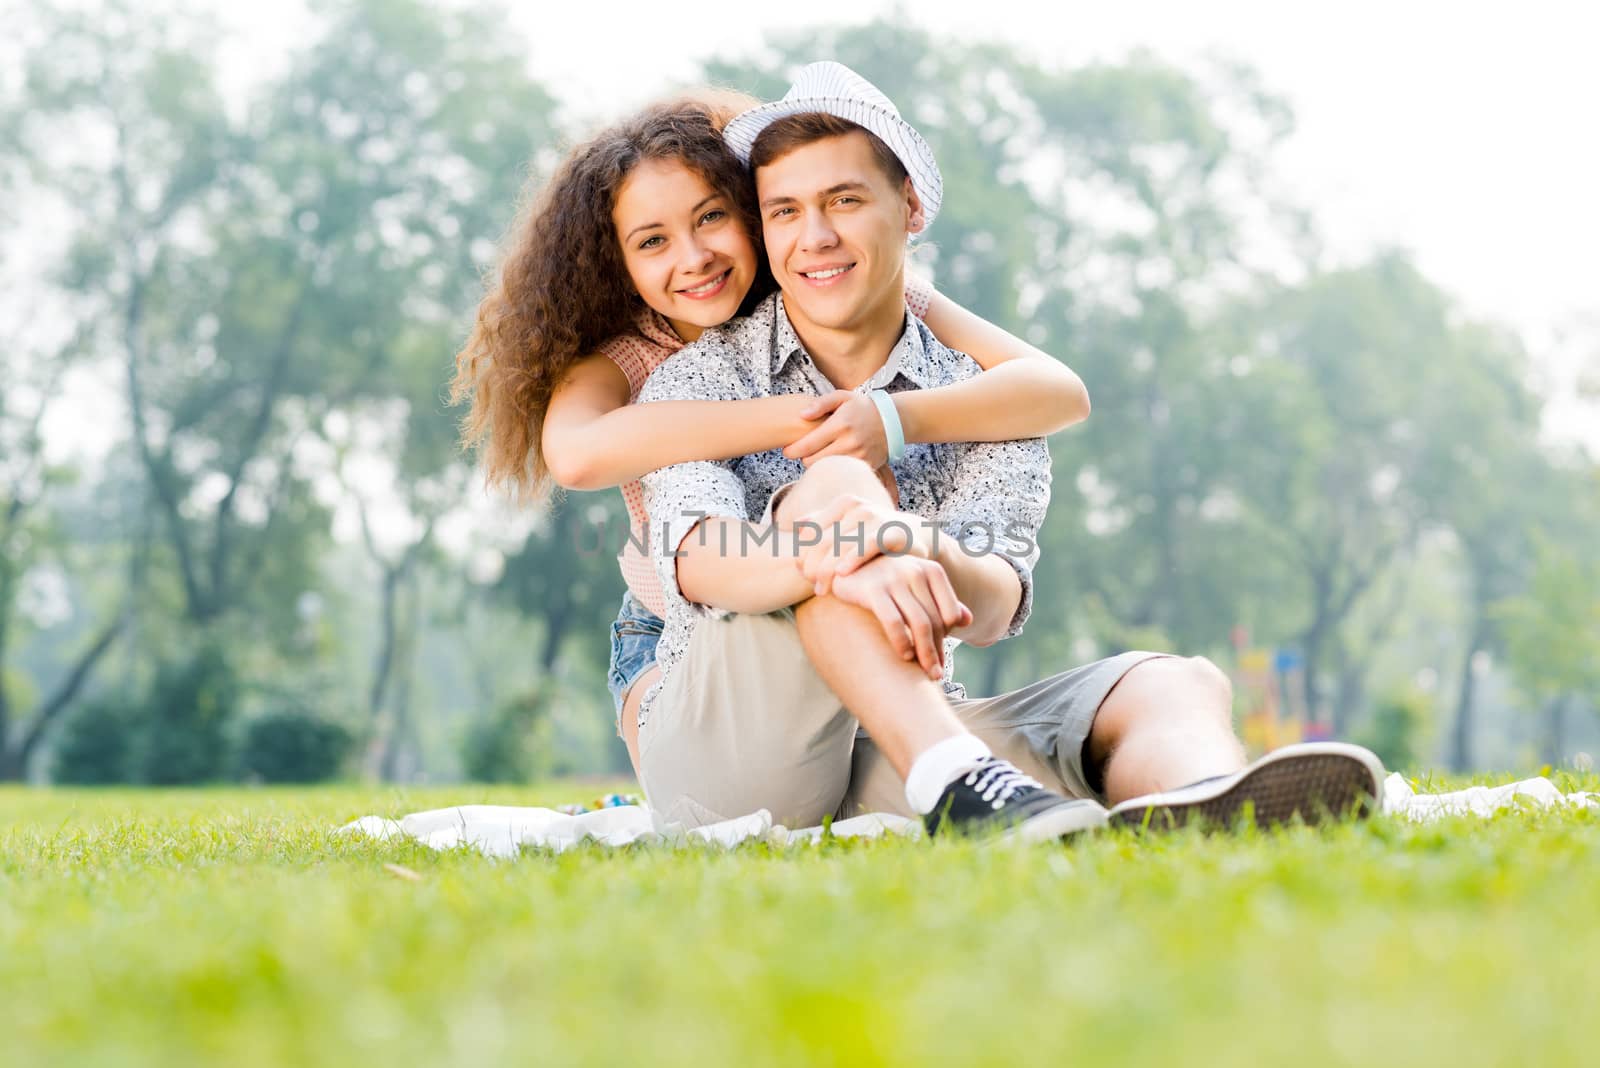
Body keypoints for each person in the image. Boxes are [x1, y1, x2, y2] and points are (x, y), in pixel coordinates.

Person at [631, 62, 1385, 840]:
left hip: (896, 740)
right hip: (728, 756)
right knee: (837, 492)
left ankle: (1212, 801)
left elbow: (991, 603)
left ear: (911, 207)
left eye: (844, 200)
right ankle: (957, 778)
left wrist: (908, 540)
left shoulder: (983, 396)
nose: (815, 236)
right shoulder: (702, 379)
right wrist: (844, 546)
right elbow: (698, 562)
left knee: (1171, 680)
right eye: (785, 211)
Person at [452, 91, 1093, 777]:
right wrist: (818, 418)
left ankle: (954, 768)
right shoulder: (629, 355)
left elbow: (1057, 390)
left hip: (838, 586)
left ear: (752, 215)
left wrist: (893, 420)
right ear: (620, 263)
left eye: (712, 219)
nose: (694, 257)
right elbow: (576, 456)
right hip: (675, 629)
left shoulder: (820, 289)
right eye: (653, 242)